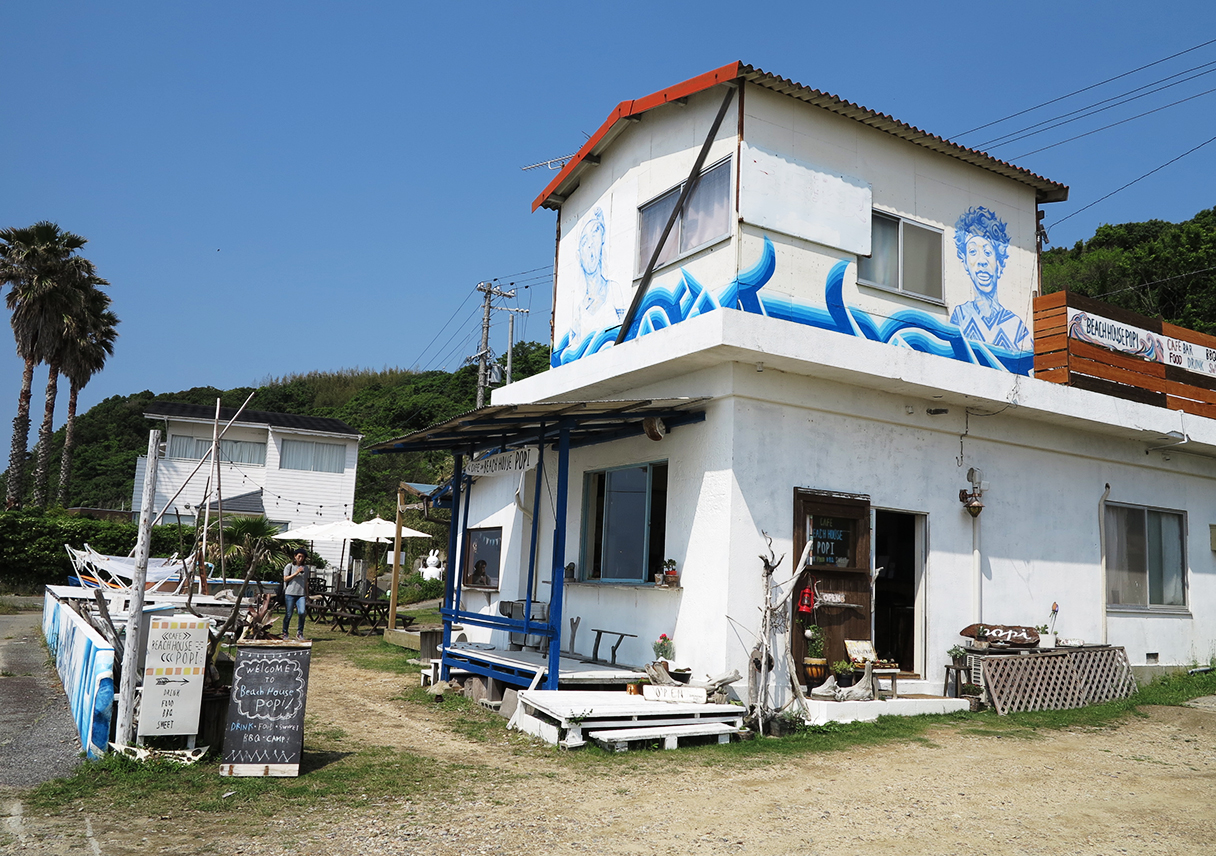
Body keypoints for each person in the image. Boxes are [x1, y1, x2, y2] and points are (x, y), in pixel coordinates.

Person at [949, 206, 1030, 352]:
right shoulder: (961, 316)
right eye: (973, 252)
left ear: (999, 262)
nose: (982, 260)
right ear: (966, 263)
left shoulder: (1016, 327)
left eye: (987, 252)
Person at [282, 548, 310, 640]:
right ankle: (285, 632)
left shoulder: (306, 568)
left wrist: (307, 594)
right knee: (289, 614)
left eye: (303, 557)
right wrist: (296, 572)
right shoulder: (289, 566)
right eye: (299, 556)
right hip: (290, 593)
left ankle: (300, 632)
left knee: (302, 612)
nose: (301, 558)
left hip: (301, 594)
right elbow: (285, 579)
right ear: (295, 556)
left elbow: (306, 582)